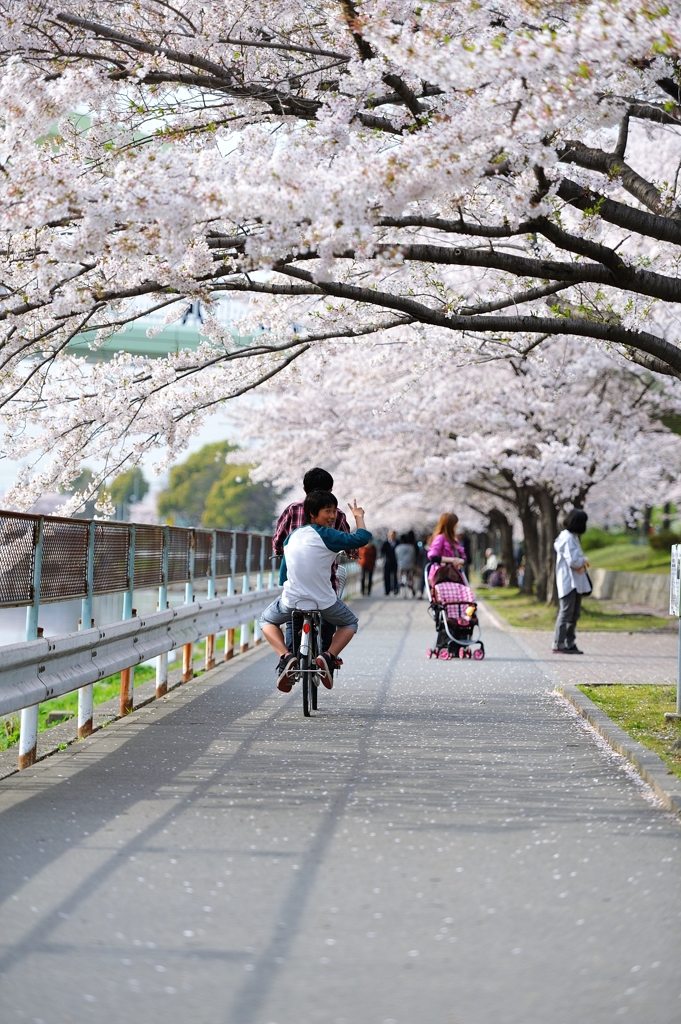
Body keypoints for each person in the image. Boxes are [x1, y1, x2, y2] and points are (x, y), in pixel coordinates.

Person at [259, 492, 371, 690]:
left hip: (291, 600)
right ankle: (328, 657)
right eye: (327, 511)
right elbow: (362, 538)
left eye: (333, 511)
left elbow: (284, 572)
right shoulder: (328, 535)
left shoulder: (293, 536)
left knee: (266, 621)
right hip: (324, 602)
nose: (332, 516)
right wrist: (359, 516)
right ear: (312, 513)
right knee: (350, 622)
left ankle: (286, 657)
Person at [273, 467, 351, 652]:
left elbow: (279, 539)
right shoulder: (336, 514)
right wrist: (351, 551)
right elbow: (348, 541)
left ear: (304, 489)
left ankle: (290, 659)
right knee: (330, 616)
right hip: (324, 582)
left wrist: (278, 551)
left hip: (296, 582)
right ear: (330, 491)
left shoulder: (292, 510)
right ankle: (326, 656)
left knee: (294, 617)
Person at [553, 509, 590, 655]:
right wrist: (584, 561)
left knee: (573, 614)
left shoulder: (570, 537)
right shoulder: (568, 538)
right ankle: (559, 643)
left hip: (573, 582)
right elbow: (574, 561)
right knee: (566, 613)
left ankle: (569, 642)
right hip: (569, 582)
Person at [426, 513, 467, 588]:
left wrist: (461, 561)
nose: (456, 526)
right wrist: (452, 560)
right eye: (455, 524)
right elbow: (433, 556)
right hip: (441, 575)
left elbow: (463, 556)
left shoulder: (454, 541)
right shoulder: (440, 538)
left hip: (453, 576)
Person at [381, 530, 398, 595]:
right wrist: (382, 557)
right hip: (387, 562)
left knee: (395, 576)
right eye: (391, 535)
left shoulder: (398, 542)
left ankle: (395, 589)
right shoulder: (385, 543)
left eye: (393, 535)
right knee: (386, 577)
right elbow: (382, 551)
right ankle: (387, 590)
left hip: (395, 562)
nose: (392, 536)